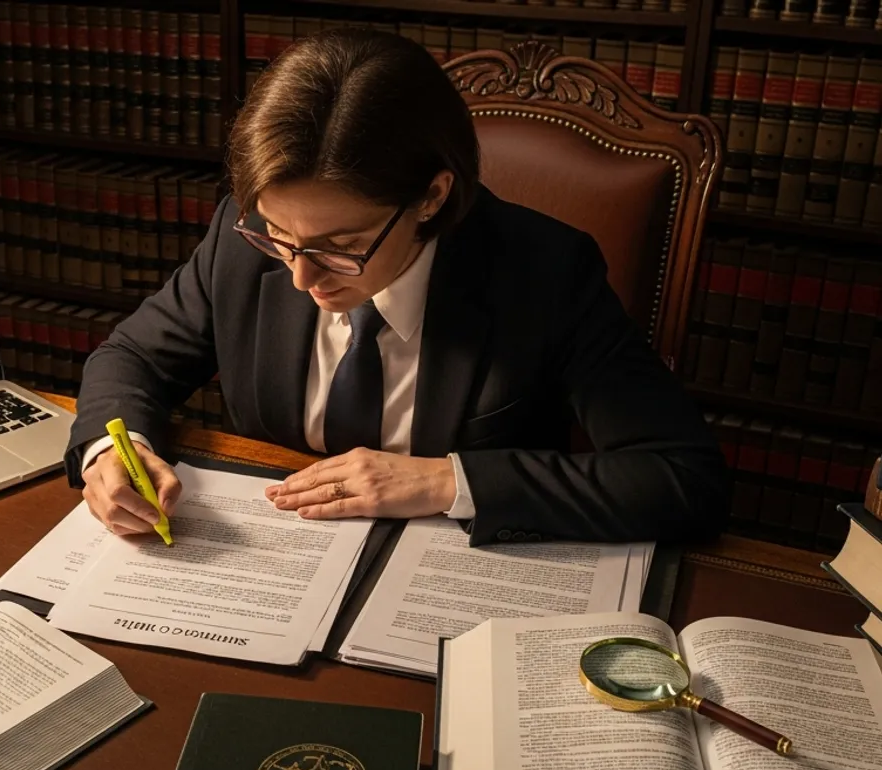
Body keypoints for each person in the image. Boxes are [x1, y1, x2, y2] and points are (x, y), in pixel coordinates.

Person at [66, 28, 728, 546]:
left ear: (433, 197)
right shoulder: (246, 242)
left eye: (343, 246)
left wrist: (446, 481)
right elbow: (132, 360)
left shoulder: (546, 272)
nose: (300, 276)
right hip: (274, 566)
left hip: (449, 584)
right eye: (279, 235)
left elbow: (681, 476)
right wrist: (113, 455)